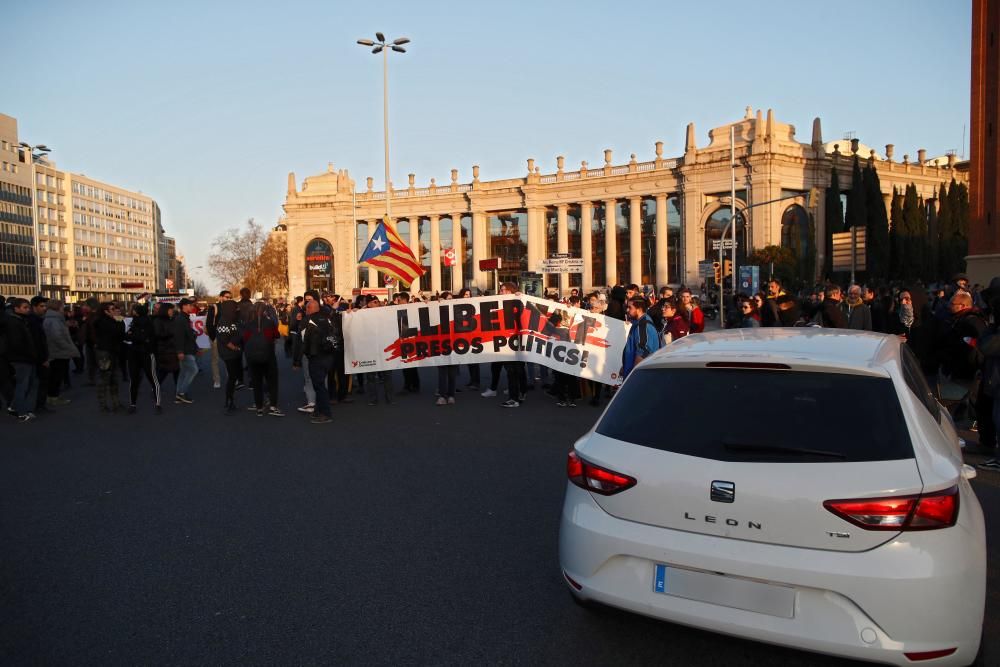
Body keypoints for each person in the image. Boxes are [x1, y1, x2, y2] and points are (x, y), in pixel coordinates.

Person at [243, 301, 284, 417]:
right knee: (272, 382)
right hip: (268, 356)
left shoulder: (248, 324)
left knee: (257, 383)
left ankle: (259, 407)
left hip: (253, 358)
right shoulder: (269, 323)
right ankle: (273, 406)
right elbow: (276, 335)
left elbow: (245, 339)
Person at [3, 298, 39, 421]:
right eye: (25, 307)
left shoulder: (21, 320)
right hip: (21, 358)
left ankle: (14, 407)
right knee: (22, 385)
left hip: (24, 357)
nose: (28, 310)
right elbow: (17, 343)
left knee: (28, 384)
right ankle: (20, 412)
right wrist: (30, 354)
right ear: (16, 308)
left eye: (28, 307)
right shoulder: (14, 322)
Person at [301, 297, 334, 423]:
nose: (306, 310)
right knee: (320, 384)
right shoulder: (327, 319)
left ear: (309, 309)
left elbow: (303, 341)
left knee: (319, 385)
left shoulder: (307, 321)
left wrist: (297, 360)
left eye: (307, 307)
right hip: (329, 356)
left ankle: (326, 413)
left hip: (316, 357)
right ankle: (319, 410)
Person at [124, 303, 161, 414]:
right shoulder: (134, 322)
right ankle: (134, 403)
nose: (132, 311)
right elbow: (128, 336)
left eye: (133, 310)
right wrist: (136, 336)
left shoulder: (147, 322)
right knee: (136, 379)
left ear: (137, 311)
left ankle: (156, 403)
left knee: (151, 378)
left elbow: (142, 337)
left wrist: (134, 336)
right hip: (136, 353)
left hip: (145, 353)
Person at [41, 299, 78, 408]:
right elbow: (57, 337)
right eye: (62, 307)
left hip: (55, 350)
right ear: (57, 308)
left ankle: (53, 396)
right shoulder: (54, 320)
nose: (63, 309)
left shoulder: (52, 319)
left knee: (55, 375)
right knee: (56, 375)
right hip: (58, 351)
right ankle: (53, 397)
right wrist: (67, 348)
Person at [93, 302, 126, 413]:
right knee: (104, 379)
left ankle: (116, 403)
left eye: (115, 308)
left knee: (114, 379)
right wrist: (120, 321)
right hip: (105, 353)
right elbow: (117, 332)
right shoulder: (102, 322)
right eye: (112, 309)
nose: (115, 310)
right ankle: (103, 405)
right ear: (106, 311)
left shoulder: (110, 321)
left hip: (112, 351)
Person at [622, 297, 661, 378]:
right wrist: (625, 366)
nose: (627, 310)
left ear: (639, 309)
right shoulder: (639, 323)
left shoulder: (643, 325)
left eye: (630, 308)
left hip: (640, 377)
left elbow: (643, 352)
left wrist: (634, 376)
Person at [172, 298, 199, 404]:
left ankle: (179, 394)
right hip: (185, 350)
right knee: (193, 370)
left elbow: (188, 334)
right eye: (190, 305)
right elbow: (178, 336)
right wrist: (179, 351)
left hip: (187, 349)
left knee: (183, 372)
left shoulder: (184, 318)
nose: (192, 307)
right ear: (183, 306)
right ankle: (181, 393)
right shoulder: (180, 319)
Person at [435, 291, 458, 406]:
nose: (450, 301)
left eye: (451, 299)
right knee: (442, 373)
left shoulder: (456, 311)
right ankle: (442, 396)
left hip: (454, 346)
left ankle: (451, 395)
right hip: (441, 346)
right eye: (448, 299)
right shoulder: (437, 310)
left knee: (452, 373)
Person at [205, 290, 231, 389]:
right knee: (215, 359)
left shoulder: (232, 307)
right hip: (216, 337)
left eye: (229, 297)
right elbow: (209, 323)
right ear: (220, 297)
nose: (228, 299)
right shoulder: (214, 307)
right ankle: (216, 380)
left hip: (228, 337)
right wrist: (214, 337)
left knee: (228, 358)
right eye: (226, 297)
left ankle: (231, 378)